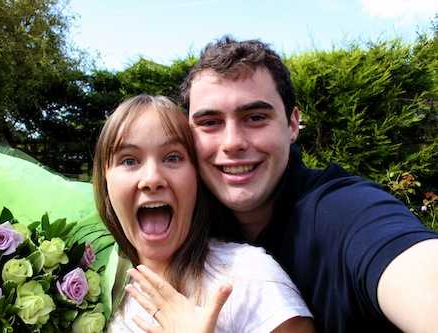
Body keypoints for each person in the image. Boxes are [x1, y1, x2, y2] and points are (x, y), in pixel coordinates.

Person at [177, 36, 438, 332]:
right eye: (210, 122)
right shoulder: (188, 225)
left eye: (255, 117)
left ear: (291, 125)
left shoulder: (344, 213)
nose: (232, 142)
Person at [92, 95, 315, 332]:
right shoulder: (94, 283)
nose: (152, 179)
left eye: (173, 157)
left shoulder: (249, 278)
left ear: (197, 177)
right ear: (105, 181)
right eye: (129, 161)